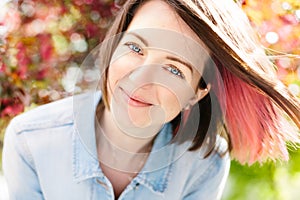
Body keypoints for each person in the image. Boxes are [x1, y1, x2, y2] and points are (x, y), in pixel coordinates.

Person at [2, 0, 300, 199]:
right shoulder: (30, 140)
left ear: (197, 92)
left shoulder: (204, 165)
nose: (141, 78)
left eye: (173, 69)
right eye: (135, 47)